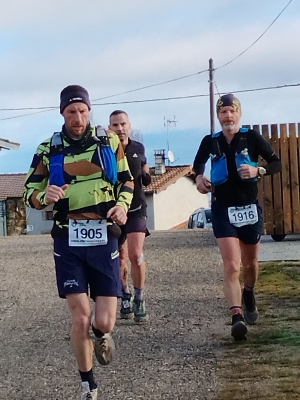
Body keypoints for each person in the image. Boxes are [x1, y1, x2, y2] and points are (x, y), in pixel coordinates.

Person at [23, 85, 133, 400]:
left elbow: (126, 180)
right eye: (72, 112)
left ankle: (102, 334)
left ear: (89, 111)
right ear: (62, 114)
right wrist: (45, 195)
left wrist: (122, 206)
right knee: (80, 316)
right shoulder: (48, 149)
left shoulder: (109, 141)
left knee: (103, 320)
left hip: (103, 236)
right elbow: (30, 191)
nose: (78, 118)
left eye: (83, 111)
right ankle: (88, 385)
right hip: (67, 238)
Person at [193, 93, 282, 341]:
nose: (228, 116)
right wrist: (199, 179)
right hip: (222, 208)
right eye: (223, 112)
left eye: (232, 111)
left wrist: (258, 169)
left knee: (251, 264)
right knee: (232, 265)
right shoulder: (210, 142)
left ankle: (249, 292)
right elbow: (197, 165)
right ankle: (236, 317)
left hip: (249, 207)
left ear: (239, 114)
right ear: (218, 116)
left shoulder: (251, 137)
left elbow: (276, 163)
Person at [108, 110, 151, 323]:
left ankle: (140, 297)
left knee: (135, 254)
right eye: (115, 125)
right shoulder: (105, 150)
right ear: (110, 128)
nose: (120, 128)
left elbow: (144, 163)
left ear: (129, 125)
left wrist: (146, 173)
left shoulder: (138, 147)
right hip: (114, 211)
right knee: (119, 258)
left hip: (136, 208)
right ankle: (124, 295)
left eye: (123, 124)